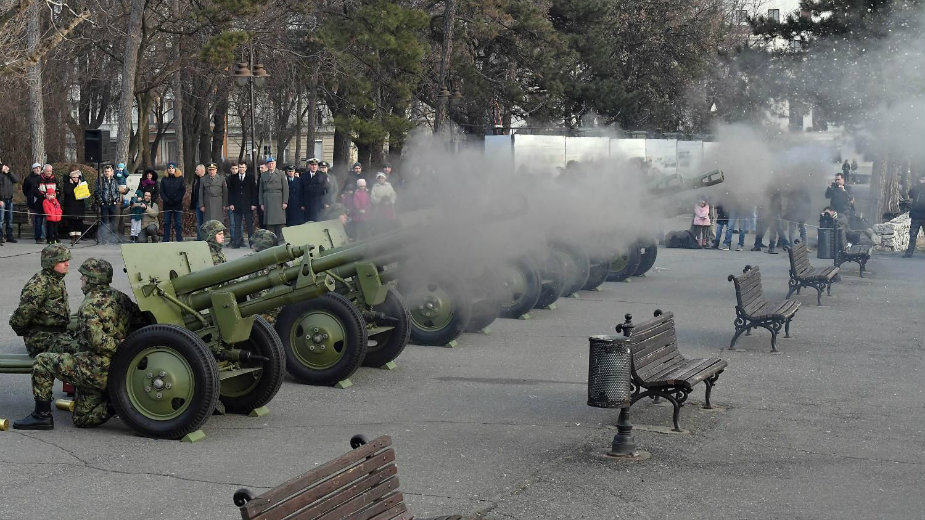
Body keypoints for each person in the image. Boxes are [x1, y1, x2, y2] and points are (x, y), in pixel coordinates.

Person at [12, 258, 144, 430]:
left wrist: (121, 346)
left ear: (91, 279)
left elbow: (97, 342)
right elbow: (142, 322)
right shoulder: (121, 298)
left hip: (98, 369)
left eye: (83, 276)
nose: (81, 279)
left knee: (42, 361)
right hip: (121, 367)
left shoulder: (89, 305)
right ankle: (118, 402)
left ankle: (41, 415)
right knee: (82, 418)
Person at [9, 244, 71, 357]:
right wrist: (28, 333)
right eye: (62, 261)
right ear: (50, 262)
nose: (67, 264)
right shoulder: (39, 285)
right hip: (42, 339)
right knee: (83, 351)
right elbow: (22, 316)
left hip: (58, 332)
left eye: (67, 260)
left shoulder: (57, 278)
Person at [227, 160, 258, 248]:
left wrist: (254, 204)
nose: (241, 169)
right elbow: (230, 192)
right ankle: (237, 243)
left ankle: (251, 243)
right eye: (240, 167)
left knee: (249, 225)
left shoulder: (250, 177)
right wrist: (231, 203)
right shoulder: (233, 178)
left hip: (248, 205)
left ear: (246, 168)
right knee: (237, 225)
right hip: (237, 205)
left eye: (243, 167)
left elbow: (254, 192)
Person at [259, 157, 288, 238]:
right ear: (267, 165)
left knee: (280, 223)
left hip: (278, 200)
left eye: (272, 163)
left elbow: (286, 189)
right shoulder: (263, 175)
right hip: (267, 200)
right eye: (269, 163)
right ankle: (271, 241)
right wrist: (261, 203)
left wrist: (285, 201)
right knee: (269, 224)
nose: (271, 165)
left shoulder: (281, 174)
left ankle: (281, 240)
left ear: (275, 164)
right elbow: (260, 190)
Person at [95, 164, 121, 244]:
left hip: (113, 204)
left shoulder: (114, 181)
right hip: (104, 204)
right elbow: (97, 192)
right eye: (106, 171)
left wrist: (116, 199)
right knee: (104, 222)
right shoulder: (100, 181)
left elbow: (117, 191)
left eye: (108, 171)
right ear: (104, 172)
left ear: (111, 172)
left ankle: (113, 238)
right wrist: (101, 202)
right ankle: (104, 239)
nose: (107, 173)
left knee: (113, 222)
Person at [159, 162, 185, 242]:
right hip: (167, 204)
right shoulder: (164, 179)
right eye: (169, 168)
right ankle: (166, 239)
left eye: (172, 168)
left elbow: (182, 190)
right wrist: (167, 200)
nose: (171, 169)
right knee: (166, 222)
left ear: (175, 169)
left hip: (177, 204)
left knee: (178, 223)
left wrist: (176, 200)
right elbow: (162, 192)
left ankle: (179, 239)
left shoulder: (180, 178)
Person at [60, 169, 86, 245]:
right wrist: (71, 185)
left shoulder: (82, 184)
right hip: (70, 207)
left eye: (77, 177)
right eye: (74, 177)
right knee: (71, 222)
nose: (75, 179)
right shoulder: (67, 184)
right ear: (70, 178)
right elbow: (67, 192)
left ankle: (78, 237)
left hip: (79, 206)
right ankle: (72, 238)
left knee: (79, 222)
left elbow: (84, 194)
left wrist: (80, 186)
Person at [903, 173, 925, 258]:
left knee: (912, 235)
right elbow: (910, 194)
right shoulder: (916, 188)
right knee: (912, 235)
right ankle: (909, 253)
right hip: (916, 216)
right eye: (922, 179)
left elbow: (910, 194)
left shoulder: (916, 187)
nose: (922, 180)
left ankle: (909, 253)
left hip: (917, 215)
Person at [22, 162, 44, 242]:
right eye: (36, 168)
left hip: (42, 201)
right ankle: (38, 236)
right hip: (32, 202)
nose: (38, 169)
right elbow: (25, 189)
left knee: (43, 221)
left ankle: (43, 235)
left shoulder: (43, 178)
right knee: (35, 220)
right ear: (33, 169)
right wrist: (30, 196)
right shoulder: (28, 179)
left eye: (39, 168)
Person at [302, 158, 328, 222]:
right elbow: (301, 191)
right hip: (307, 204)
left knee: (318, 221)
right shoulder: (304, 175)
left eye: (315, 165)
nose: (314, 167)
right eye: (312, 165)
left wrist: (326, 202)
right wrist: (302, 204)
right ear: (309, 166)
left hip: (318, 203)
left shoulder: (323, 175)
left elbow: (326, 190)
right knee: (308, 222)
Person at [0, 162, 19, 243]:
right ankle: (0, 237)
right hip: (2, 200)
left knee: (9, 219)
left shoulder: (8, 175)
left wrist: (9, 172)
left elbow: (16, 180)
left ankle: (9, 236)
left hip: (9, 199)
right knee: (1, 220)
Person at [190, 164, 206, 240]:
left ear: (202, 170)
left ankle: (204, 238)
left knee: (205, 222)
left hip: (204, 204)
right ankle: (199, 238)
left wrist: (204, 204)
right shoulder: (196, 179)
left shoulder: (206, 179)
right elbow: (193, 192)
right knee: (199, 221)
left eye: (197, 170)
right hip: (197, 203)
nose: (195, 171)